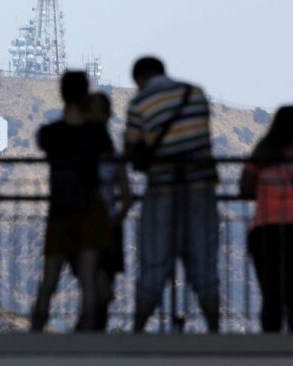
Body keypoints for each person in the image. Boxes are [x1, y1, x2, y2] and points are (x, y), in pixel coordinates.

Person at [124, 57, 219, 333]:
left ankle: (138, 330)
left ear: (140, 79)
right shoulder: (196, 94)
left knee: (154, 262)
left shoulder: (140, 103)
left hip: (162, 189)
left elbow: (132, 149)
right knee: (204, 263)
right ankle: (215, 330)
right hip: (201, 188)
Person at [31, 72, 114, 332]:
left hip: (60, 210)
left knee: (49, 281)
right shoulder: (97, 135)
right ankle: (86, 339)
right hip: (89, 210)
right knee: (88, 280)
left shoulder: (50, 134)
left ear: (62, 93)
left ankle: (34, 335)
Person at [241, 106, 293, 332]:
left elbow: (245, 187)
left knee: (271, 294)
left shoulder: (263, 152)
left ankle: (270, 342)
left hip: (265, 230)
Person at [83, 92, 133, 331]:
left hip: (92, 225)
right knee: (102, 281)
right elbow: (127, 196)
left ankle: (91, 330)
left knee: (92, 281)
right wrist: (115, 220)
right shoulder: (114, 156)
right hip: (107, 225)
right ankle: (96, 329)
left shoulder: (83, 155)